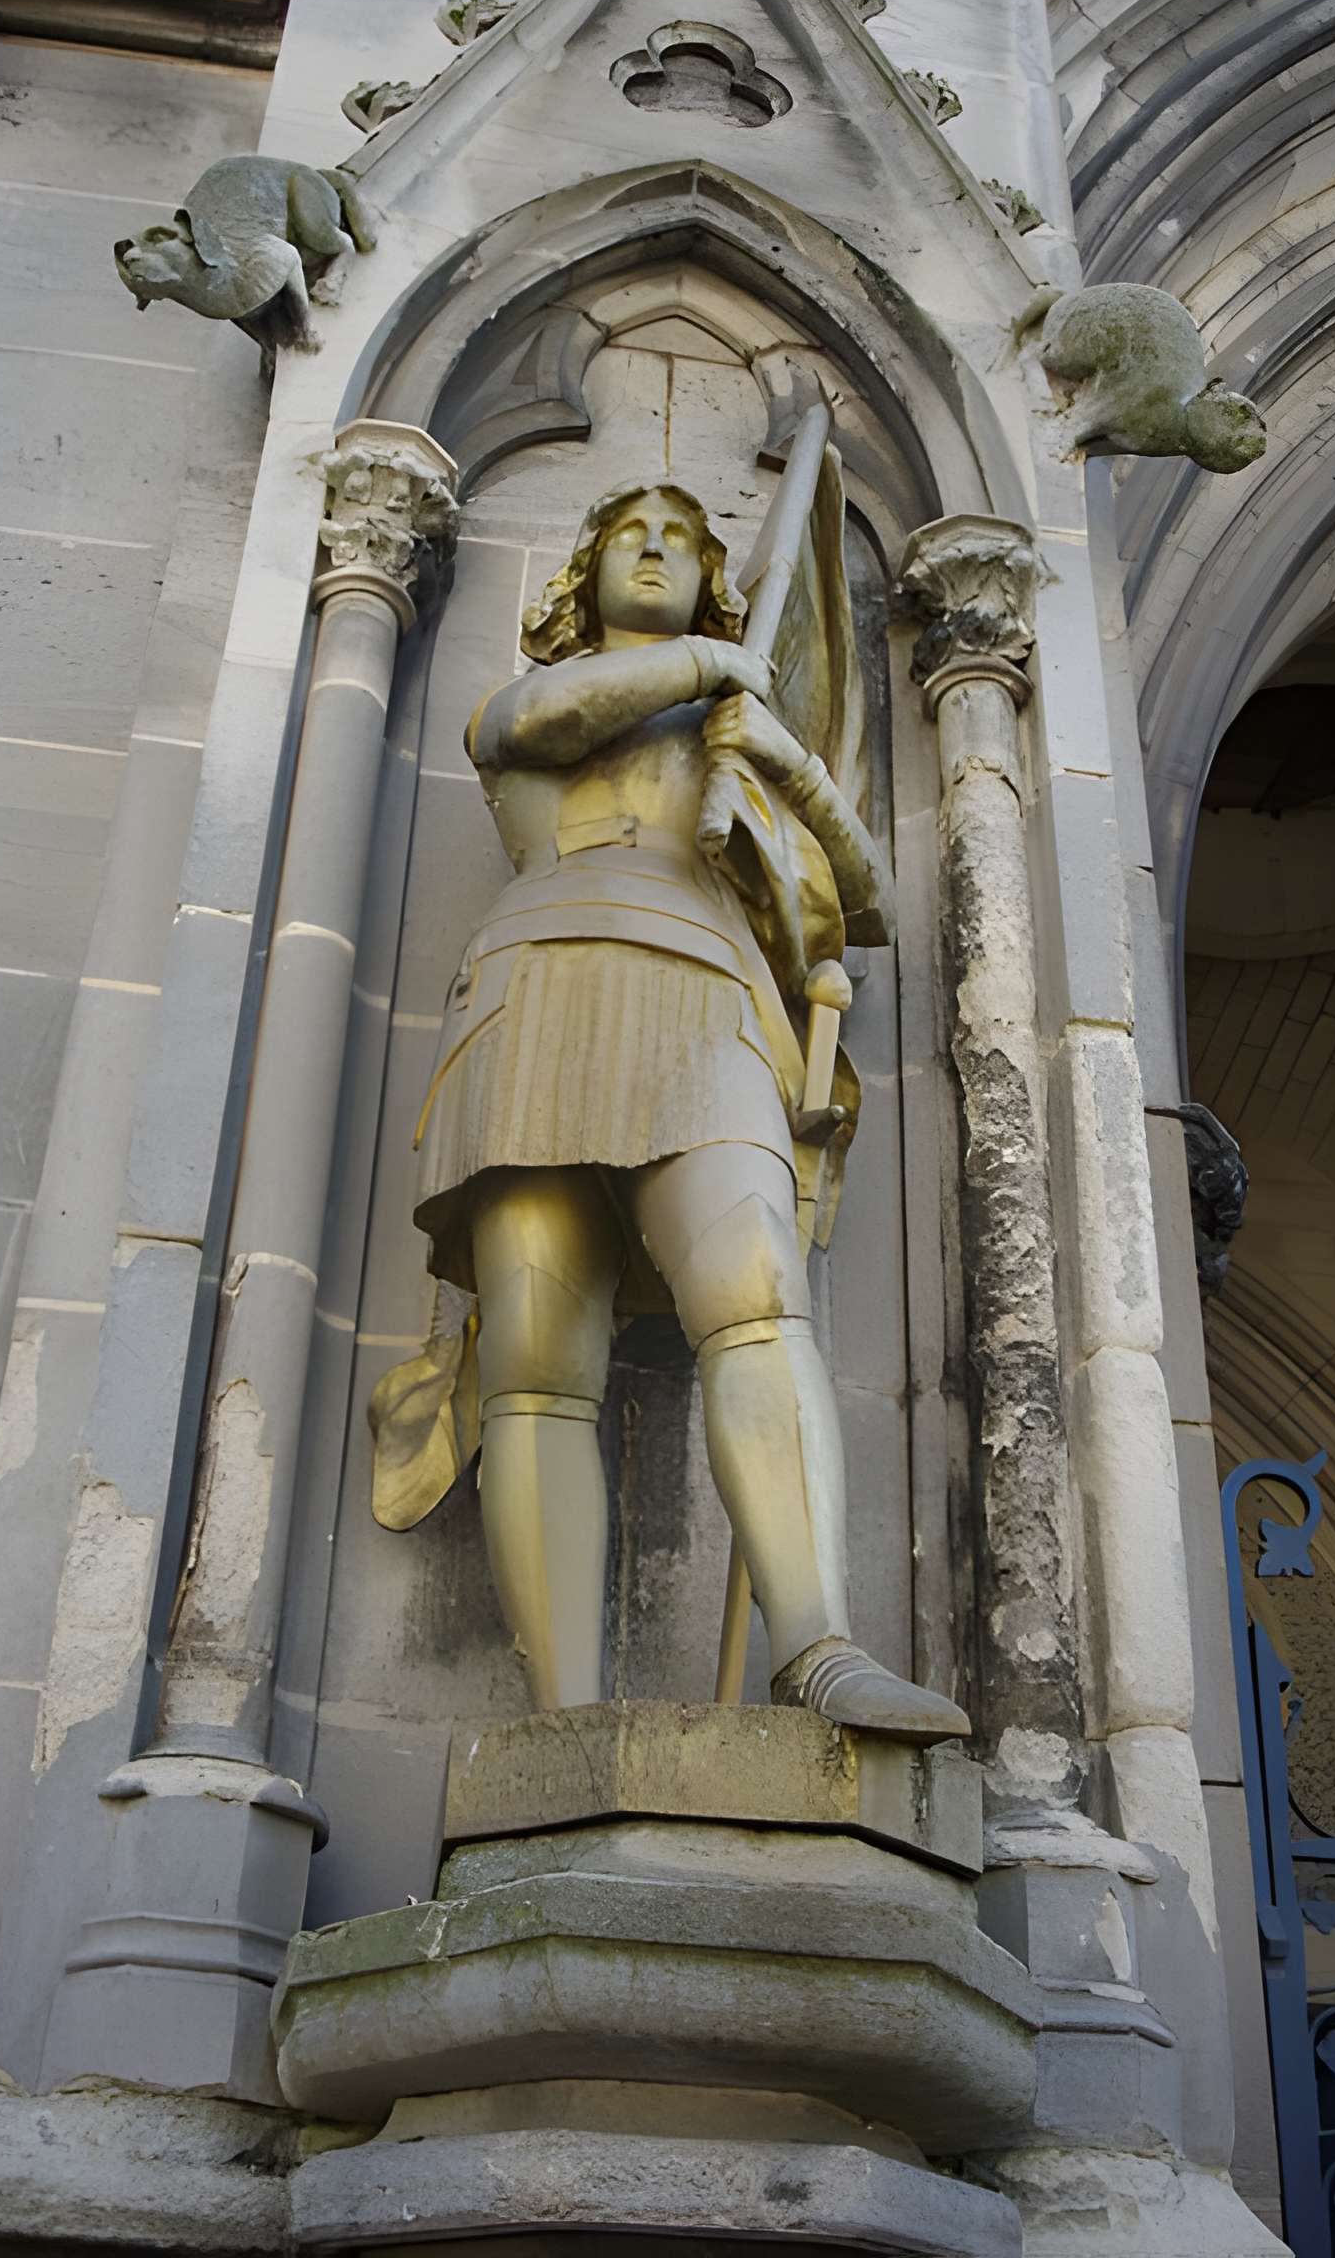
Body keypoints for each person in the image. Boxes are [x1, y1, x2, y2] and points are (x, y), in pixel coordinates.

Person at [404, 478, 969, 1743]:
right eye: (628, 537)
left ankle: (818, 1645)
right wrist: (719, 663)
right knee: (538, 1373)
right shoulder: (546, 699)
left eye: (681, 542)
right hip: (536, 991)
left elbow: (862, 895)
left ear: (715, 573)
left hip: (707, 1001)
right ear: (585, 573)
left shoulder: (740, 728)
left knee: (761, 1294)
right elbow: (533, 722)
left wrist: (784, 764)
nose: (655, 551)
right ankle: (564, 1723)